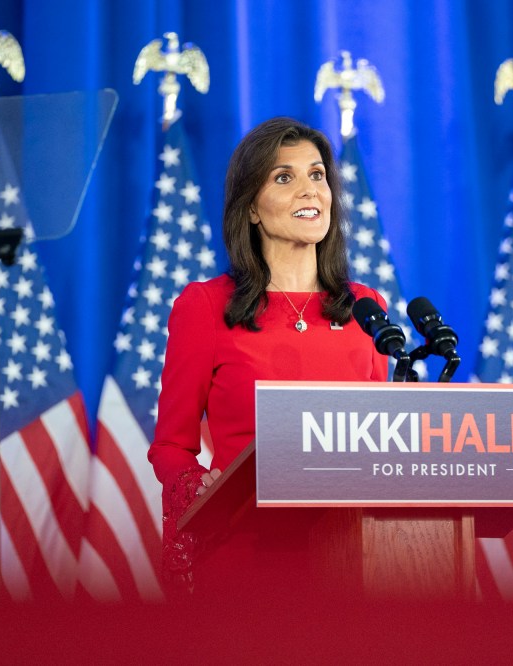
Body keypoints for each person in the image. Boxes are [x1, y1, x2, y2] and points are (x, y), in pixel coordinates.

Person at [147, 117, 389, 591]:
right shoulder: (206, 306)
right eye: (284, 177)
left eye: (317, 175)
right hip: (247, 560)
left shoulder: (366, 307)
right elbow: (171, 446)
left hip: (354, 561)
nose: (309, 190)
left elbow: (381, 442)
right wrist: (198, 488)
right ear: (252, 209)